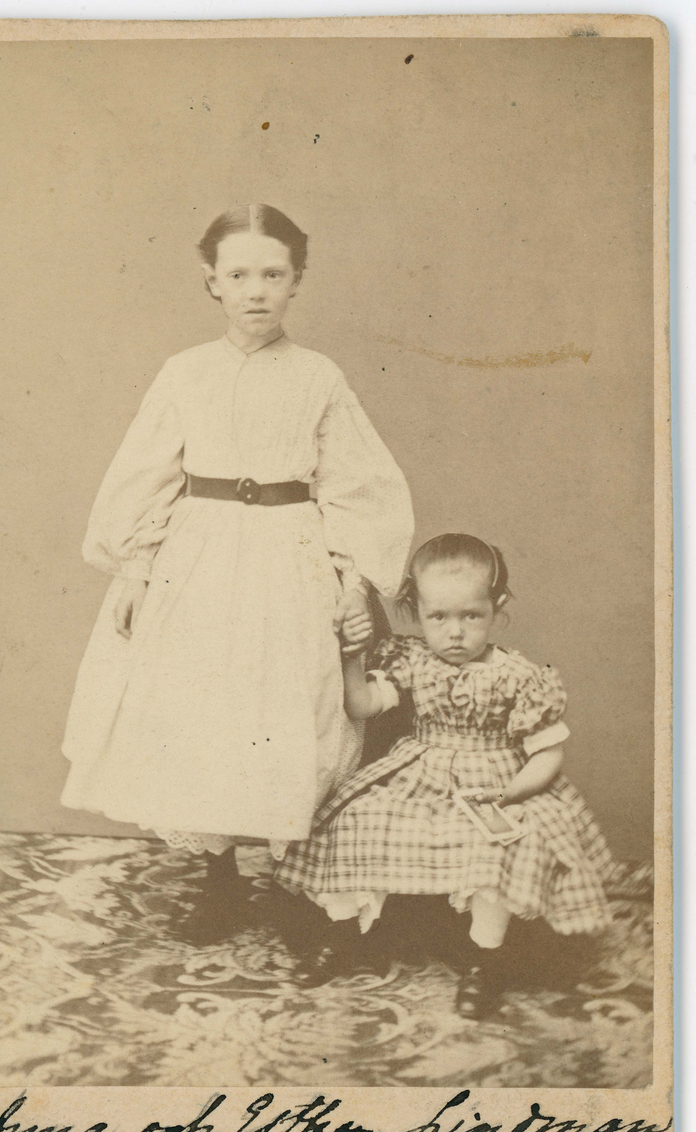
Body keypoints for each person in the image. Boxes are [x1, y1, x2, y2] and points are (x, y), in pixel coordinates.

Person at [60, 204, 414, 942]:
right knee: (204, 707)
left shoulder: (317, 376)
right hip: (200, 556)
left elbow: (356, 484)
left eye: (273, 274)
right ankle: (217, 879)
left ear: (297, 281)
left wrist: (354, 584)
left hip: (291, 554)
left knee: (293, 706)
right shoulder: (185, 373)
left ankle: (298, 877)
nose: (256, 290)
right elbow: (148, 473)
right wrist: (134, 570)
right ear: (211, 281)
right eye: (239, 274)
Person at [274, 534, 614, 1016]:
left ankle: (485, 959)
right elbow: (362, 705)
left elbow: (547, 755)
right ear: (417, 611)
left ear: (497, 607)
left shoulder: (519, 676)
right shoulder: (413, 661)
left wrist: (510, 795)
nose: (455, 633)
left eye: (471, 616)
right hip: (421, 772)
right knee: (355, 819)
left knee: (501, 846)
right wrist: (352, 657)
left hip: (495, 779)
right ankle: (345, 931)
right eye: (438, 617)